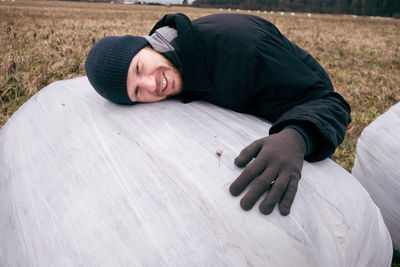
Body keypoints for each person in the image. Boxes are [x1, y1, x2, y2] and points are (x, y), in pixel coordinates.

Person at [84, 13, 351, 216]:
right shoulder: (176, 60)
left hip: (300, 108)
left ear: (148, 45)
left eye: (140, 68)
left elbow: (330, 102)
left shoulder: (246, 49)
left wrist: (297, 136)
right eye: (138, 92)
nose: (152, 85)